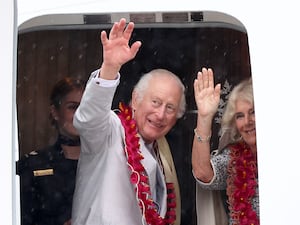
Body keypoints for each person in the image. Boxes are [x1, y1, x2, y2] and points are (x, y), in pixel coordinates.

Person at [71, 18, 185, 225]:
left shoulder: (161, 152)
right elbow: (88, 120)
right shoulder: (111, 130)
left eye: (170, 108)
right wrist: (110, 69)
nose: (160, 114)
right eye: (155, 102)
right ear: (135, 99)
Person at [191, 68, 259, 225]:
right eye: (240, 116)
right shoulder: (235, 159)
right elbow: (203, 173)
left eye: (253, 112)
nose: (247, 121)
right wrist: (204, 117)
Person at [16, 77, 85, 225]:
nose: (80, 114)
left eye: (85, 108)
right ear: (55, 112)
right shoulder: (33, 164)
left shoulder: (104, 162)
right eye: (73, 107)